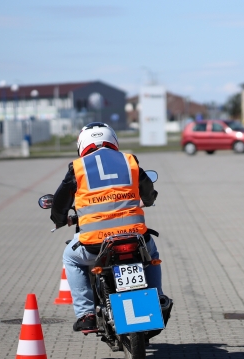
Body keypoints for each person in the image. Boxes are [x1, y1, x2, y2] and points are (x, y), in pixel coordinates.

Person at [50, 122, 171, 332]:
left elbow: (60, 201)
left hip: (95, 244)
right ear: (113, 140)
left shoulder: (77, 168)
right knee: (151, 253)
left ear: (82, 144)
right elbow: (148, 190)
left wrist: (60, 219)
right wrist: (148, 201)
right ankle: (157, 297)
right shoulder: (129, 160)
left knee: (70, 258)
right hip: (134, 237)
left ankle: (86, 314)